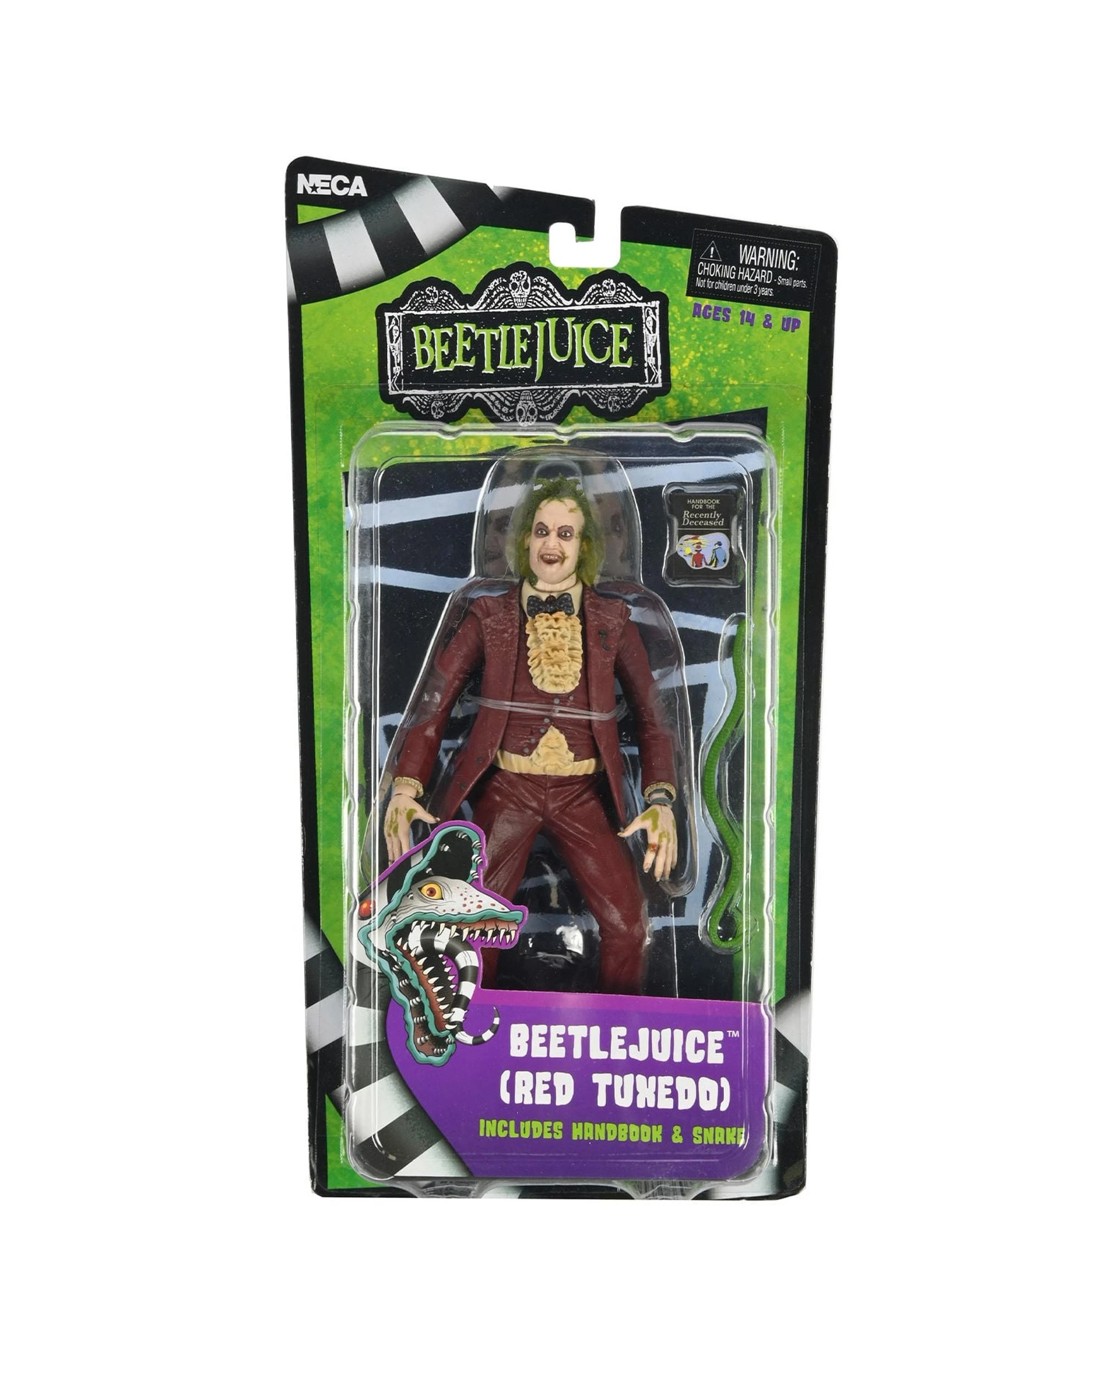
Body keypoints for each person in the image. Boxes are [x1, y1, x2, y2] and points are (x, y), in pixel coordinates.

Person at [382, 473, 680, 994]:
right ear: (524, 540)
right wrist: (406, 789)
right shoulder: (488, 615)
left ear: (584, 546)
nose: (551, 544)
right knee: (473, 921)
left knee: (629, 924)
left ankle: (620, 1021)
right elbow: (433, 704)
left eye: (566, 533)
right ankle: (471, 1014)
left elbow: (653, 717)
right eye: (542, 531)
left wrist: (660, 800)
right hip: (509, 789)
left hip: (582, 794)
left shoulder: (613, 621)